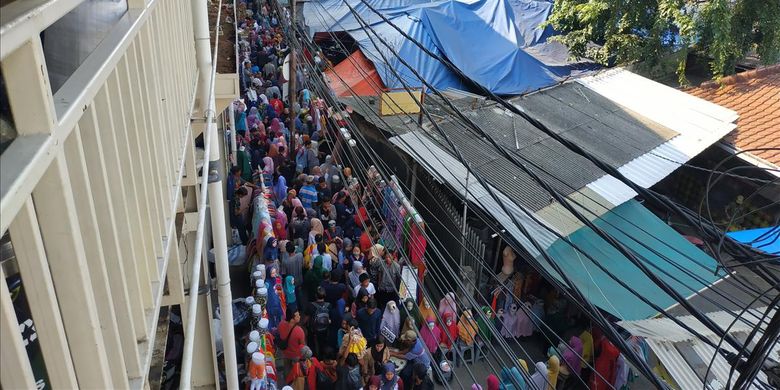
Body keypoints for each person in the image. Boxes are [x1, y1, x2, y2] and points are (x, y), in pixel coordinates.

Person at [278, 310, 306, 383]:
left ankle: (288, 382)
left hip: (285, 353)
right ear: (292, 319)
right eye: (297, 316)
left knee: (287, 368)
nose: (299, 316)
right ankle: (294, 383)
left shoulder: (281, 324)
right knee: (296, 370)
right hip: (296, 355)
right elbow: (302, 344)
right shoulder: (299, 331)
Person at [306, 287, 331, 357]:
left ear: (315, 295)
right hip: (325, 329)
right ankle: (323, 356)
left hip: (313, 329)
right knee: (323, 343)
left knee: (312, 343)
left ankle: (314, 356)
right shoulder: (328, 305)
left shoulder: (310, 305)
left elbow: (306, 318)